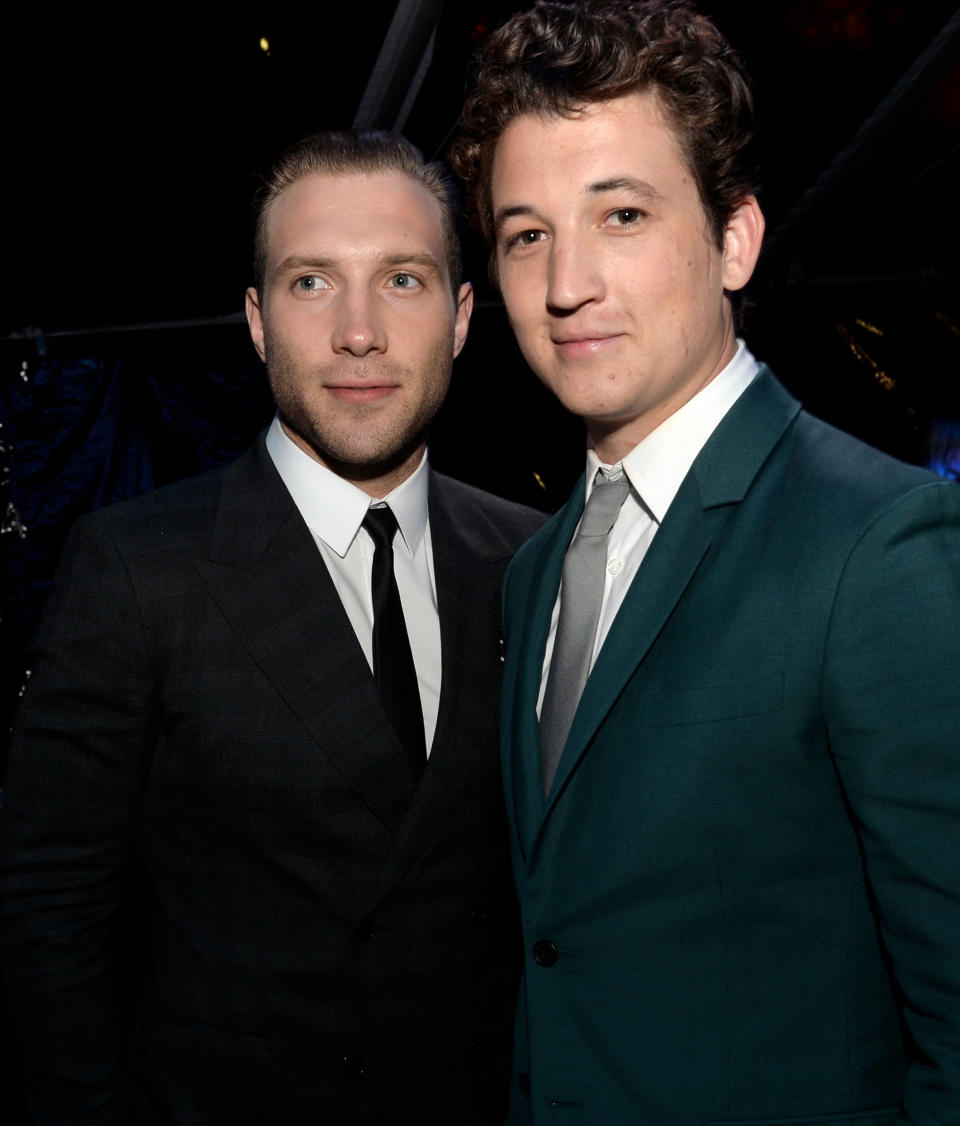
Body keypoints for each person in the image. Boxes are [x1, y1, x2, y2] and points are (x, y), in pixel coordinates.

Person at [450, 3, 960, 1122]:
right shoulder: (535, 570)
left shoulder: (876, 548)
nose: (565, 283)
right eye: (526, 233)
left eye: (620, 214)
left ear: (735, 238)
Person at [0, 130, 544, 1126]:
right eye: (310, 283)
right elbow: (50, 911)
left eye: (405, 281)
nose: (359, 332)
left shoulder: (534, 560)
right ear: (255, 322)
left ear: (465, 317)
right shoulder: (136, 568)